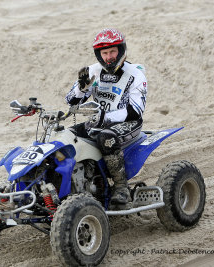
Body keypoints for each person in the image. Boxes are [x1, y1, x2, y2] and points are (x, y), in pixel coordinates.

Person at [65, 28, 147, 205]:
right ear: (99, 54)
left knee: (105, 137)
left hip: (130, 123)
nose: (109, 56)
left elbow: (136, 110)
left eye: (112, 51)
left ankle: (121, 187)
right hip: (98, 121)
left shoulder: (136, 74)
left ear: (121, 50)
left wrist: (106, 118)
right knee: (66, 136)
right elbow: (71, 101)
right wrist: (82, 87)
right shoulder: (92, 71)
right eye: (105, 52)